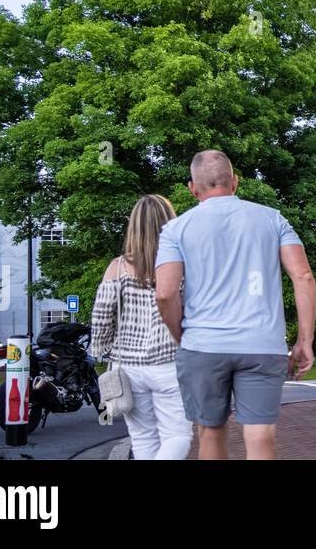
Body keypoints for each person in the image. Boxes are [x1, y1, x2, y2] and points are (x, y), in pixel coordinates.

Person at [155, 150, 316, 460]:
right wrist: (304, 341)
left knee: (210, 433)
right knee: (260, 436)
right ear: (235, 182)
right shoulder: (273, 219)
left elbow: (165, 293)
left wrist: (181, 335)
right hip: (262, 344)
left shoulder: (176, 229)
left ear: (192, 188)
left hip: (203, 345)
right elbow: (303, 276)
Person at [90, 194, 192, 460]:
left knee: (143, 437)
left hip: (128, 366)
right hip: (171, 361)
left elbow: (101, 316)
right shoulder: (182, 265)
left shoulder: (118, 267)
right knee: (178, 435)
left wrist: (103, 350)